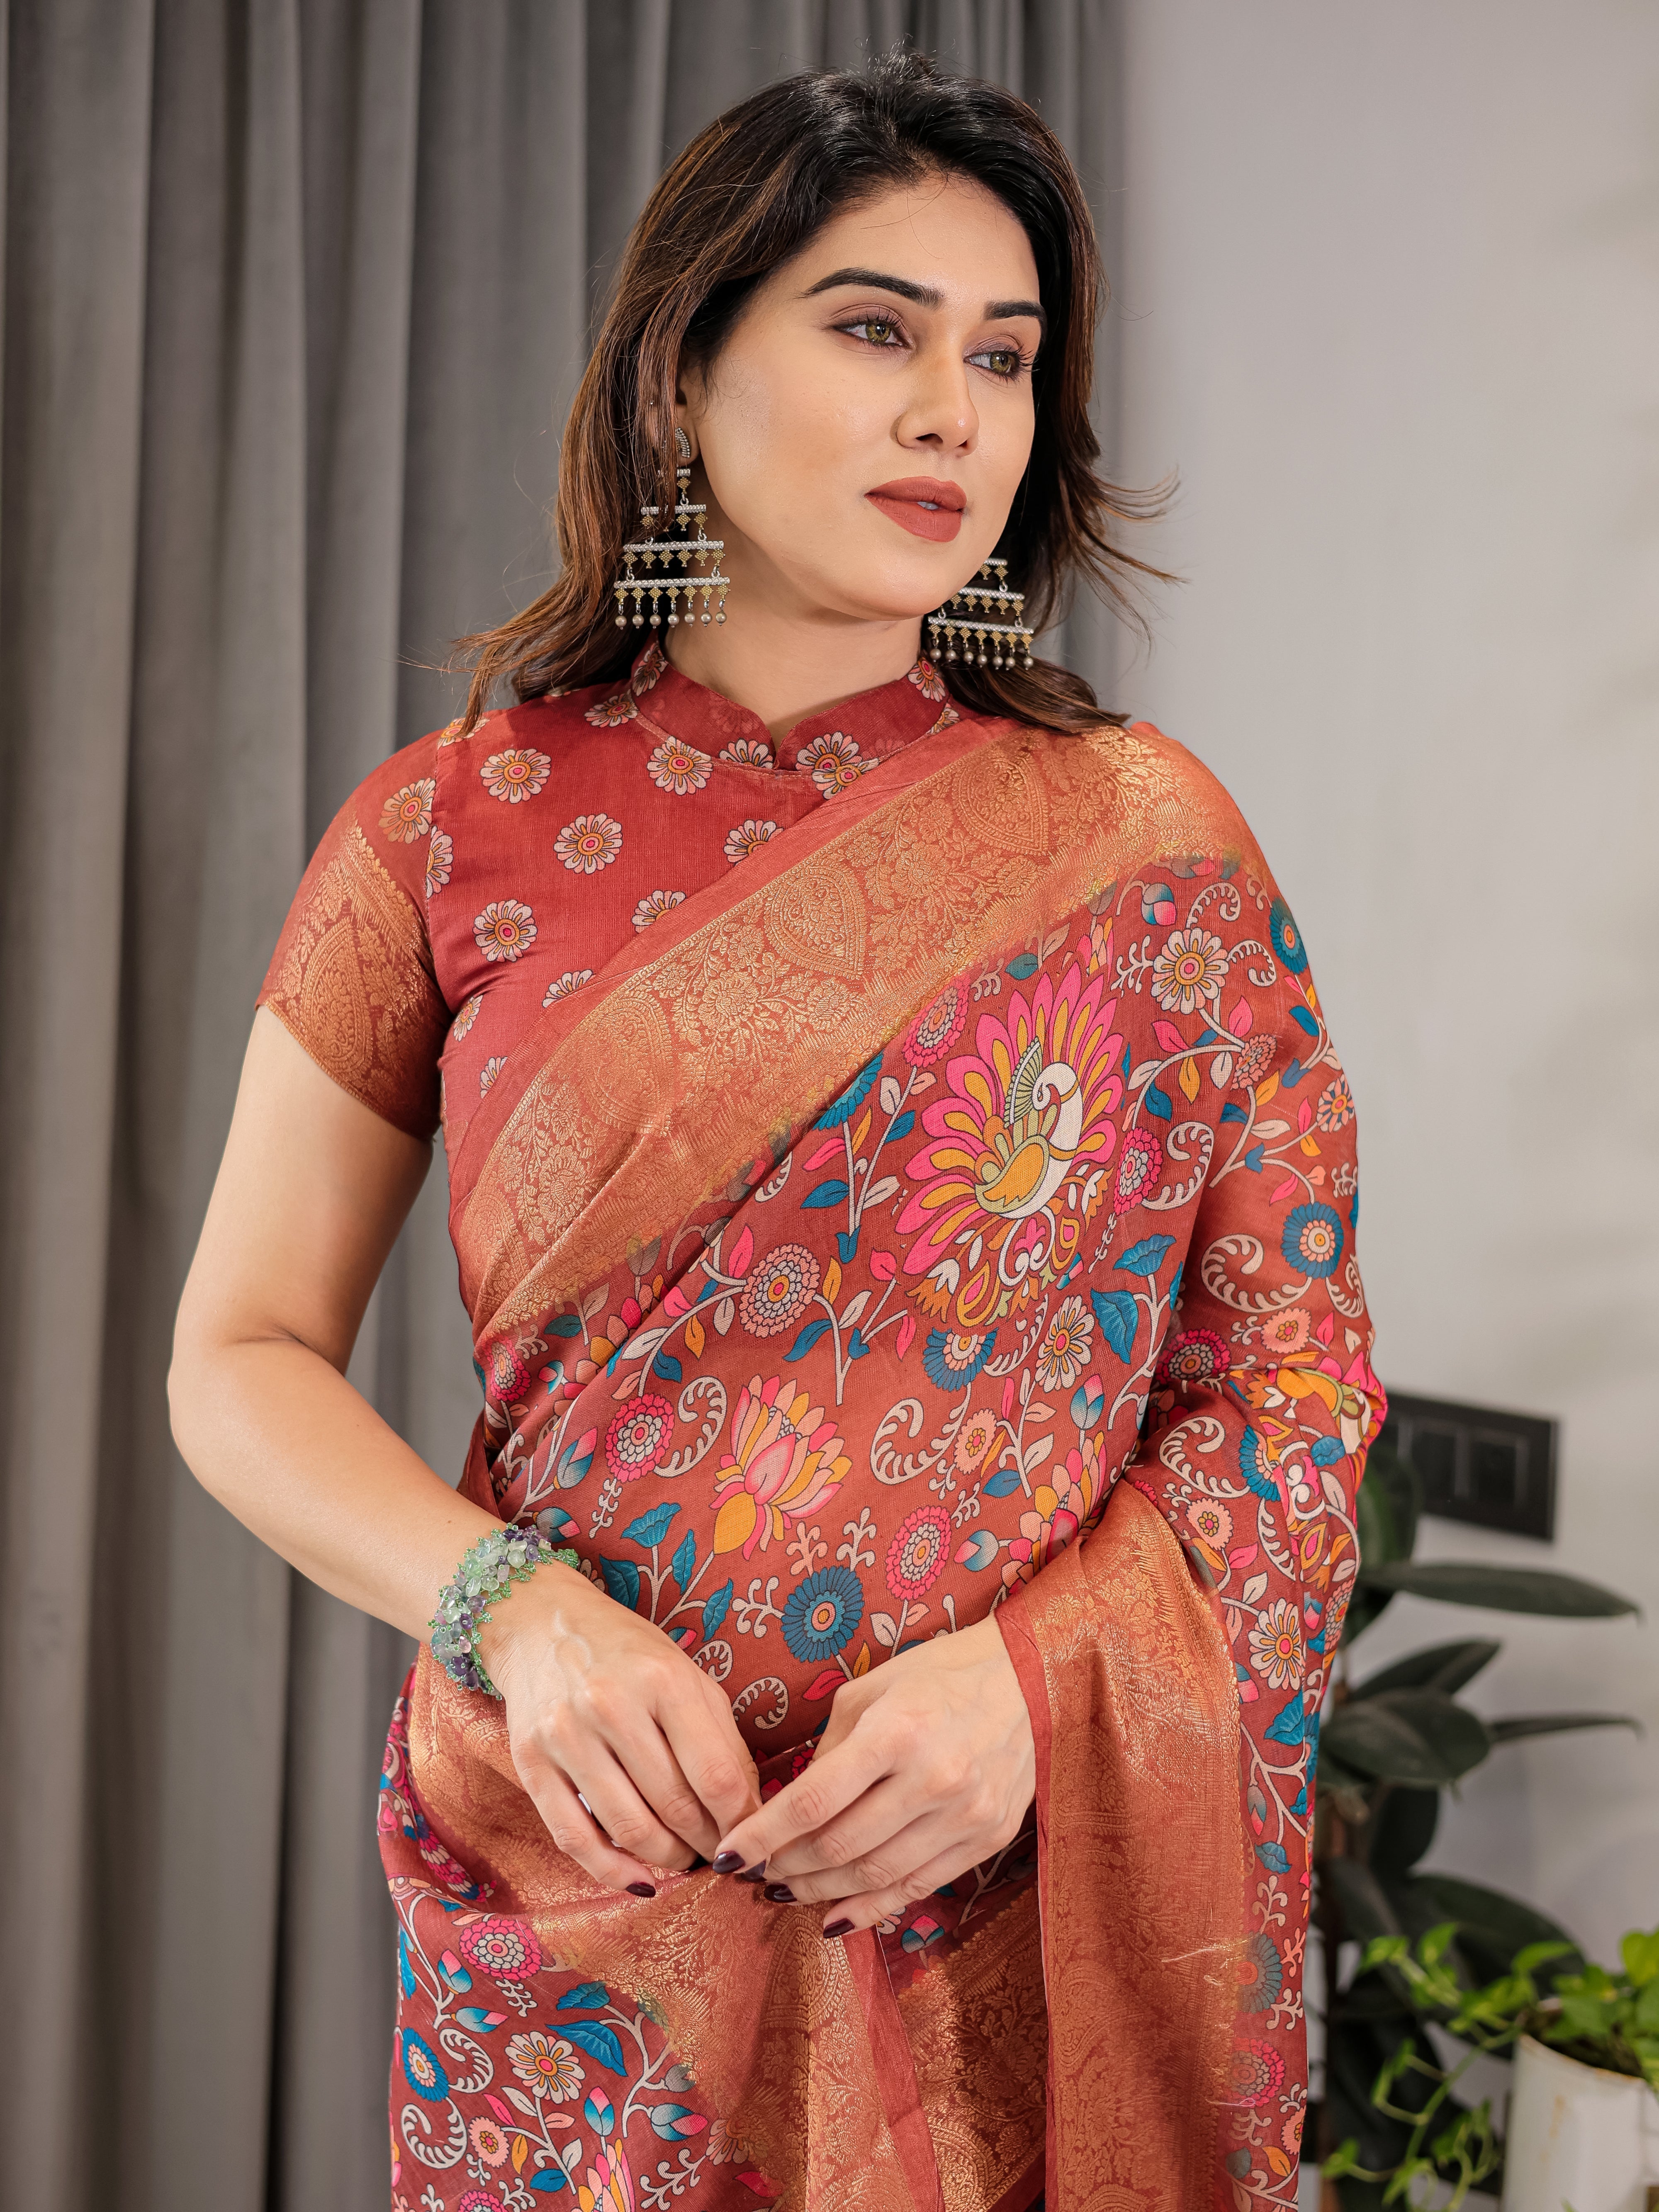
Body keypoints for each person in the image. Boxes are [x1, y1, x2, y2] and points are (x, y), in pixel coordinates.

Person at [171, 51, 1381, 2212]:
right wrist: (511, 1609)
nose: (953, 412)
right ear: (680, 368)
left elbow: (1290, 1384)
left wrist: (1037, 1692)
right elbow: (238, 1355)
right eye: (875, 328)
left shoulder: (1147, 848)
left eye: (1002, 357)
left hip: (1002, 1893)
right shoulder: (452, 829)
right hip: (591, 1888)